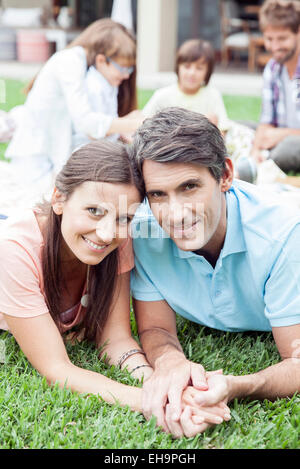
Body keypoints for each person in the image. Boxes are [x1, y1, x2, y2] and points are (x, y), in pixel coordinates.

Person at [0, 139, 230, 437]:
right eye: (94, 210)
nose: (107, 233)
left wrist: (162, 384)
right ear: (59, 198)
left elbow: (117, 340)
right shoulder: (15, 251)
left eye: (124, 218)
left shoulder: (118, 240)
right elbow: (57, 369)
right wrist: (153, 402)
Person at [130, 107, 300, 438]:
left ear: (225, 176)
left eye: (190, 186)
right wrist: (172, 364)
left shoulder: (282, 236)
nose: (175, 213)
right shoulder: (142, 233)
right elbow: (154, 328)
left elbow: (295, 359)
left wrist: (238, 385)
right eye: (158, 195)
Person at [4, 18, 143, 194]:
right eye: (122, 68)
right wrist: (132, 123)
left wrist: (120, 128)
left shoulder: (90, 72)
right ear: (102, 58)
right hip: (36, 156)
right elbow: (85, 122)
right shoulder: (71, 62)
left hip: (50, 152)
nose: (125, 76)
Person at [142, 38, 257, 183]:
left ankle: (244, 166)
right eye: (187, 66)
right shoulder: (163, 95)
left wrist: (212, 126)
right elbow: (144, 125)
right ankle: (236, 174)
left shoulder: (211, 95)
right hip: (173, 148)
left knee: (245, 131)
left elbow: (221, 133)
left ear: (207, 72)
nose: (192, 73)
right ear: (178, 67)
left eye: (199, 68)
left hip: (204, 148)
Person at [251, 0, 300, 173]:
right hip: (277, 138)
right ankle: (258, 160)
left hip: (291, 143)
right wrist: (255, 149)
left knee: (288, 148)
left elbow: (277, 134)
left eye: (282, 39)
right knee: (236, 128)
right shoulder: (273, 68)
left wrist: (282, 134)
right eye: (269, 39)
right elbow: (266, 121)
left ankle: (266, 161)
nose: (274, 46)